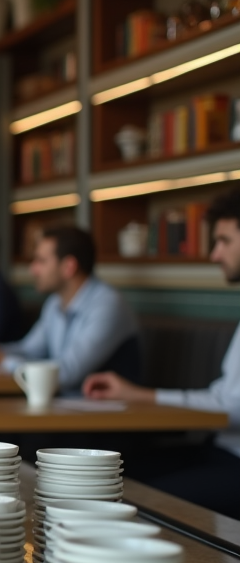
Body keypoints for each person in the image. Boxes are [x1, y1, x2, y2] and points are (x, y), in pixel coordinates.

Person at [84, 187, 240, 518]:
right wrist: (136, 394)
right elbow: (224, 395)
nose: (214, 255)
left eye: (223, 241)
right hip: (219, 449)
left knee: (124, 493)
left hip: (233, 462)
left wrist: (139, 394)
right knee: (107, 473)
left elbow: (231, 406)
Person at [0, 226, 139, 393]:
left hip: (108, 415)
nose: (33, 269)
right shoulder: (54, 302)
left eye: (41, 261)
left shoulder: (107, 305)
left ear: (68, 266)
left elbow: (67, 373)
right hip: (65, 405)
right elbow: (30, 350)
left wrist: (3, 360)